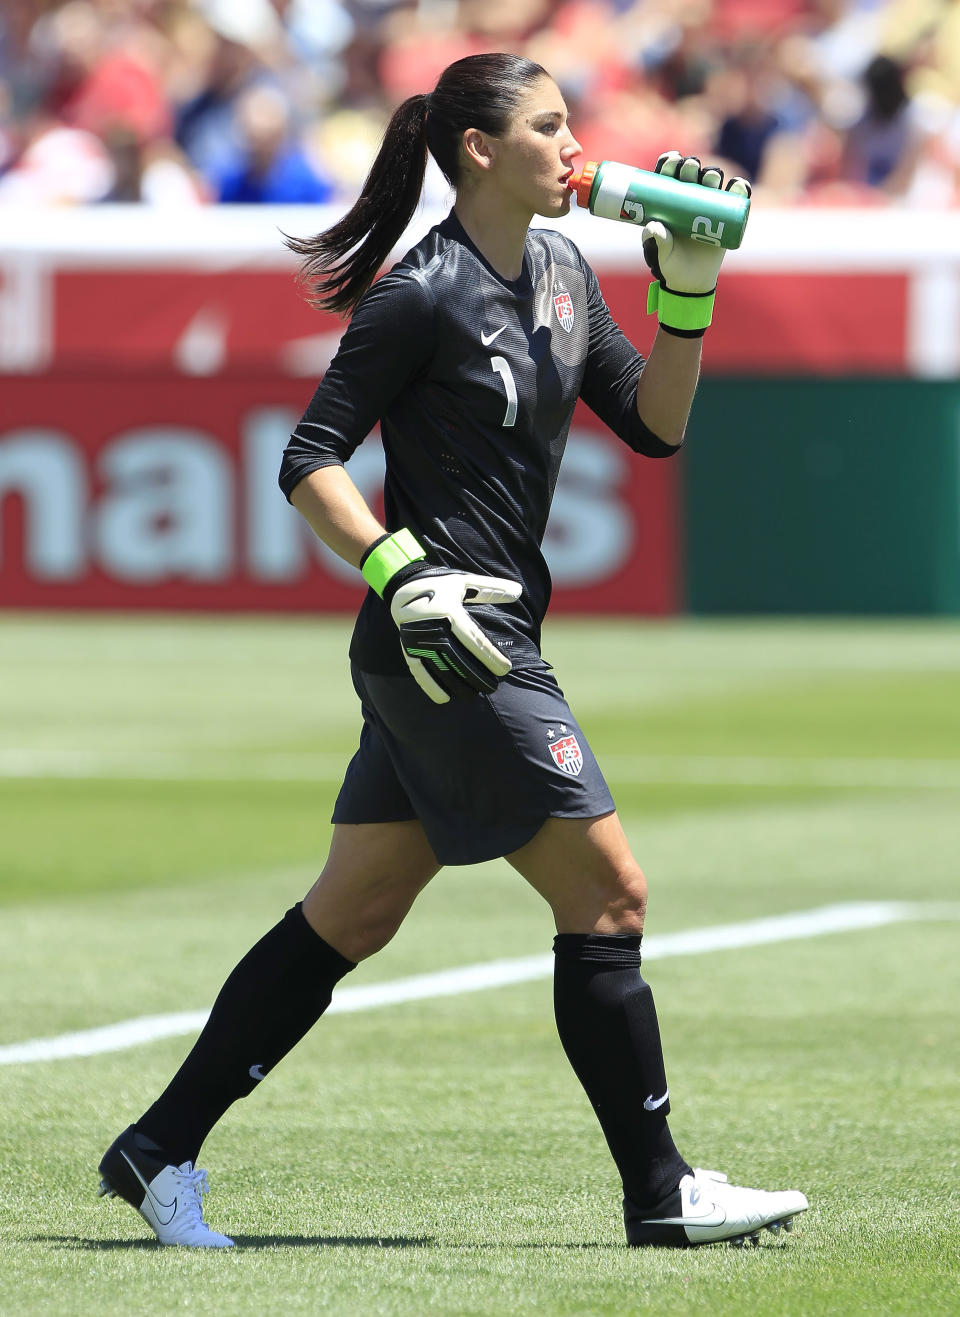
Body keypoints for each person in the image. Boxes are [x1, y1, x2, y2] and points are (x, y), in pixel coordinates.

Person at [97, 51, 808, 1250]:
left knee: (353, 913)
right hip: (450, 648)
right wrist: (397, 569)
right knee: (611, 899)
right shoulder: (419, 292)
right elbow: (307, 459)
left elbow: (659, 427)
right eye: (549, 126)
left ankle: (156, 1148)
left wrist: (688, 295)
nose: (576, 146)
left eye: (573, 123)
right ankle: (663, 1191)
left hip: (474, 638)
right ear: (479, 150)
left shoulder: (570, 270)